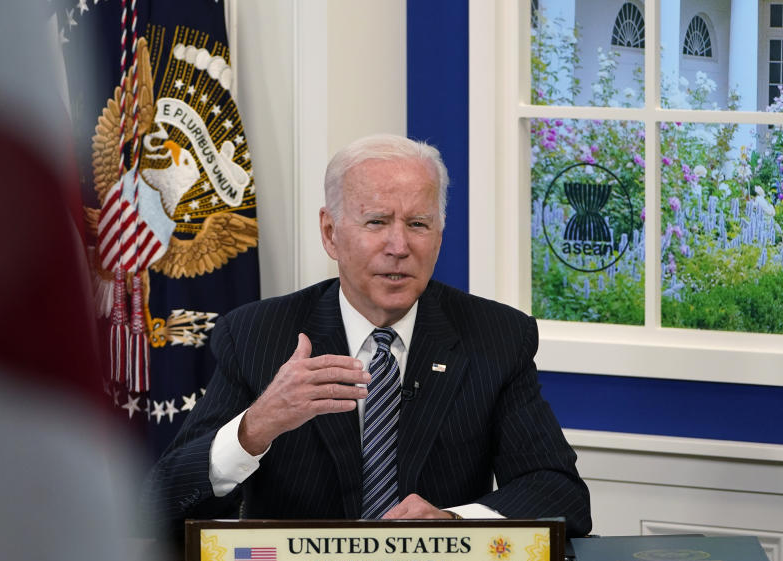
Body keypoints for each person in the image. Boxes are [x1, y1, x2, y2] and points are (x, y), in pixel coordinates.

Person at [149, 133, 591, 538]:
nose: (399, 246)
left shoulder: (496, 336)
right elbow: (163, 500)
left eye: (418, 224)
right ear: (330, 233)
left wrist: (455, 521)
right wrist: (255, 427)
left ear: (439, 235)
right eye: (377, 222)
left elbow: (561, 495)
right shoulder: (256, 334)